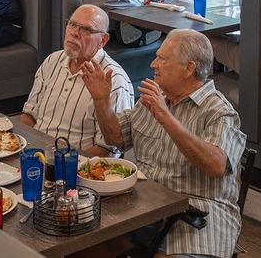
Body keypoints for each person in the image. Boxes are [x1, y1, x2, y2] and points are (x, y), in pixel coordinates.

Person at [83, 29, 244, 258]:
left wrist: (165, 116)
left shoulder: (219, 111)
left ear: (188, 68)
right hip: (144, 209)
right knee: (79, 241)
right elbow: (115, 138)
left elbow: (215, 166)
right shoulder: (156, 95)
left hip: (197, 215)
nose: (153, 64)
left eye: (162, 58)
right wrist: (101, 100)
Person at [20, 5, 134, 156]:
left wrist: (63, 163)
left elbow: (108, 150)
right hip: (37, 155)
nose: (75, 33)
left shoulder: (115, 80)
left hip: (76, 166)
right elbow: (28, 115)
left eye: (86, 29)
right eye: (72, 24)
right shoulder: (53, 61)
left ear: (103, 40)